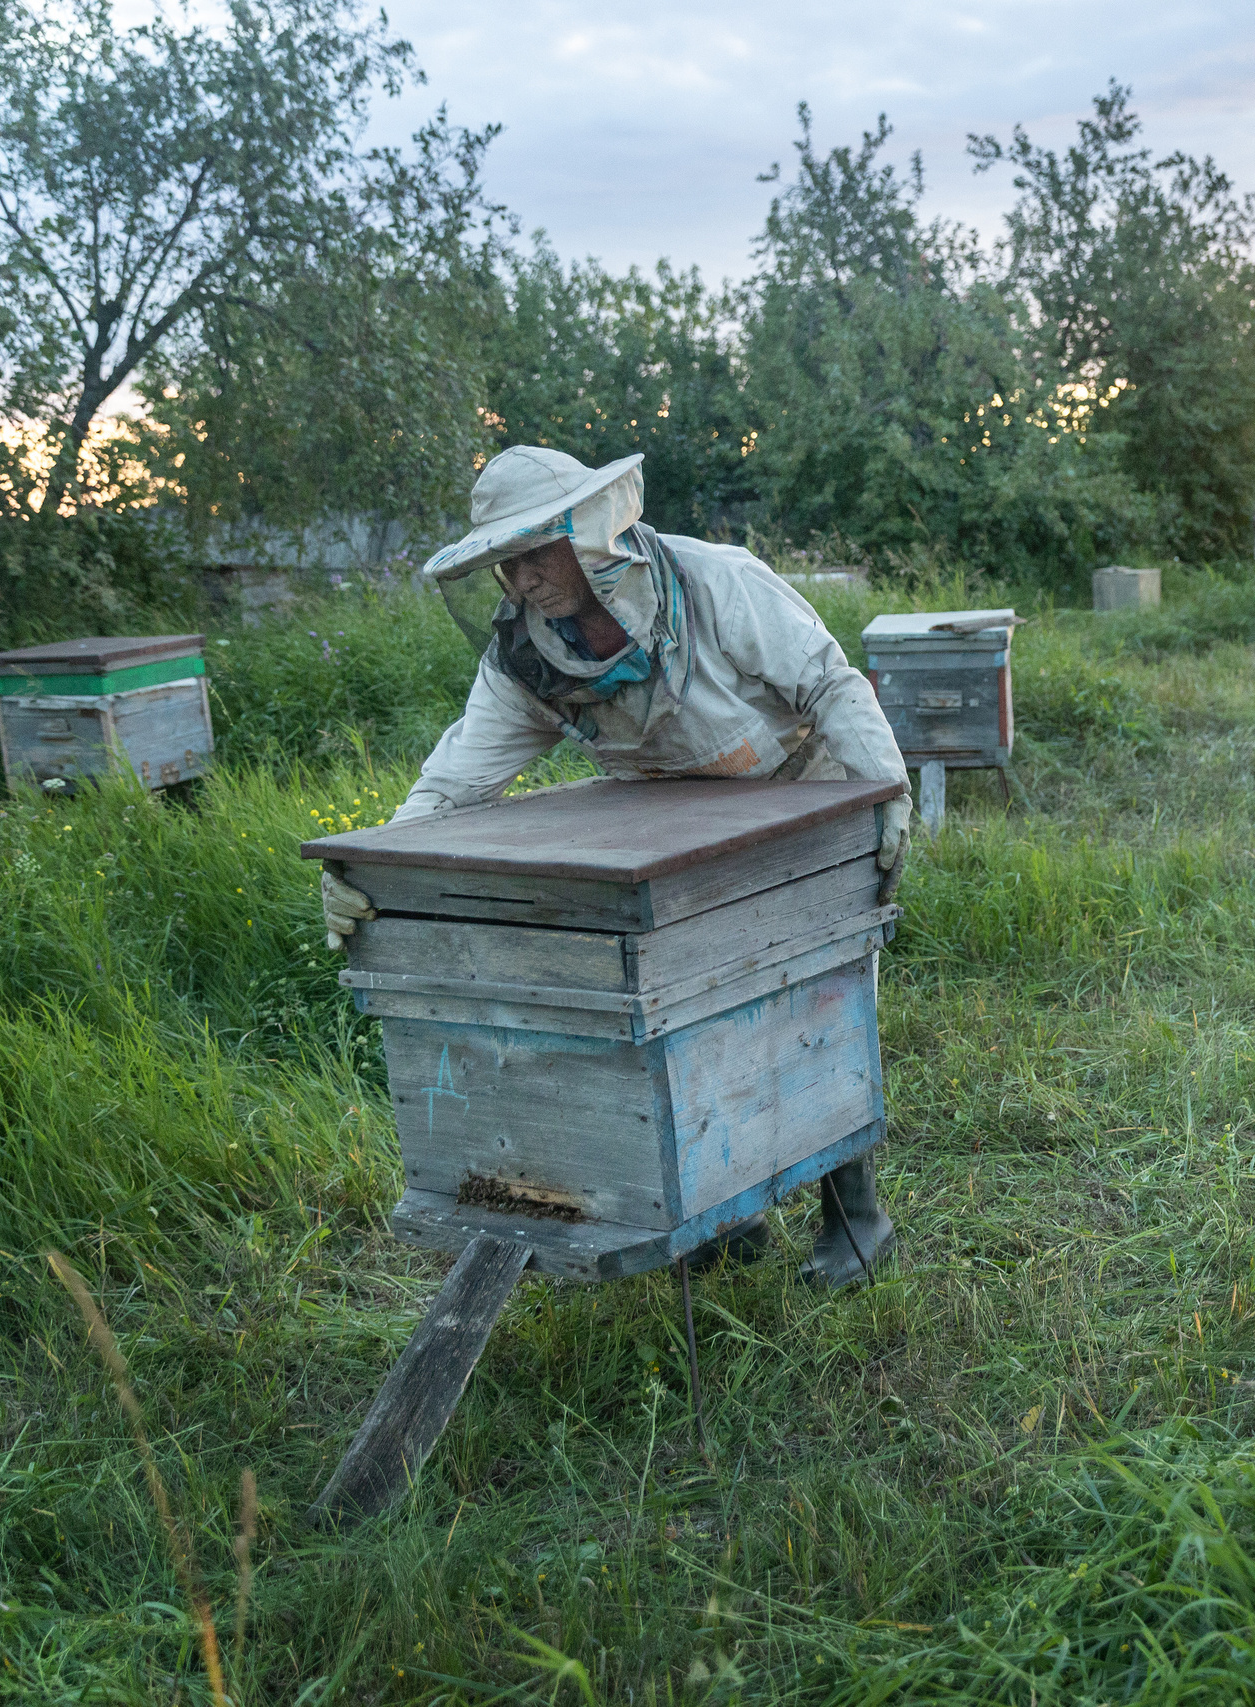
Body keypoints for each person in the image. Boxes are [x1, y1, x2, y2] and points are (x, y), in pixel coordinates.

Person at [318, 445, 907, 1286]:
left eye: (532, 552)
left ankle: (857, 1217)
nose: (521, 579)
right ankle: (724, 1210)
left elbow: (831, 684)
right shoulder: (528, 659)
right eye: (504, 562)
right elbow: (454, 783)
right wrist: (368, 868)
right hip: (672, 830)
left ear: (590, 533)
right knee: (696, 1012)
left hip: (799, 794)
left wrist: (888, 793)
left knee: (822, 994)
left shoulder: (714, 582)